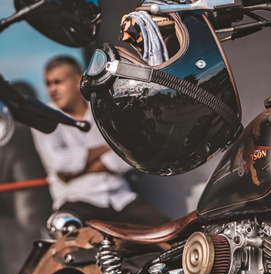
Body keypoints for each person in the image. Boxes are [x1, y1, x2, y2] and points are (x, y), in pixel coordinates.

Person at [31, 55, 169, 225]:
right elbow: (59, 163)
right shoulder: (44, 117)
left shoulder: (104, 107)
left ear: (77, 81)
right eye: (48, 83)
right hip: (76, 203)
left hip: (120, 199)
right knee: (70, 237)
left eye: (58, 82)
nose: (52, 89)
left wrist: (79, 169)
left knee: (168, 231)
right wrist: (107, 148)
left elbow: (130, 154)